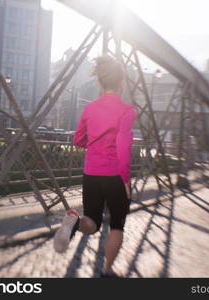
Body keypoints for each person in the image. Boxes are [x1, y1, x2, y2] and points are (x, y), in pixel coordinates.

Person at [54, 55, 137, 278]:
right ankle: (107, 269)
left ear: (101, 83)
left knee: (91, 222)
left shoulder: (90, 109)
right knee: (117, 226)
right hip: (115, 175)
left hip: (91, 173)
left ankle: (74, 221)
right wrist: (126, 181)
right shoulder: (127, 110)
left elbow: (78, 139)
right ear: (121, 84)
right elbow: (123, 146)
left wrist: (92, 144)